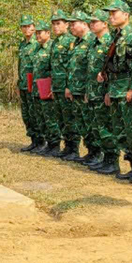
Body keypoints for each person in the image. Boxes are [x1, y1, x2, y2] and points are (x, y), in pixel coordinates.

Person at [103, 0, 132, 182]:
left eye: (115, 12)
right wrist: (108, 90)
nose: (111, 16)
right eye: (110, 13)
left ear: (126, 15)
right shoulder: (115, 36)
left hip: (127, 90)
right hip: (114, 89)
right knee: (120, 131)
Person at [84, 10, 113, 171]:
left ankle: (111, 160)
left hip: (104, 93)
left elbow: (112, 69)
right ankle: (102, 157)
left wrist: (108, 91)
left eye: (95, 22)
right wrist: (89, 91)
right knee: (96, 127)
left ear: (104, 24)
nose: (92, 24)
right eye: (91, 22)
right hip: (93, 91)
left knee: (106, 127)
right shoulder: (94, 43)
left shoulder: (110, 42)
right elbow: (90, 71)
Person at [47, 11, 78, 158]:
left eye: (58, 23)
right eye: (53, 24)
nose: (55, 26)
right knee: (60, 118)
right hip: (57, 86)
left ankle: (74, 148)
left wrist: (68, 86)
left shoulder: (71, 41)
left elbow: (71, 67)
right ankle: (67, 147)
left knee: (70, 119)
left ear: (66, 24)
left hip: (66, 87)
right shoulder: (55, 42)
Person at [63, 11, 92, 163]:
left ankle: (96, 153)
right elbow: (72, 67)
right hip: (75, 90)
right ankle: (90, 152)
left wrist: (88, 89)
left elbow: (91, 69)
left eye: (74, 24)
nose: (71, 27)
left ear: (84, 24)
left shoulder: (92, 41)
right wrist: (69, 86)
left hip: (86, 91)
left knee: (89, 123)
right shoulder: (76, 43)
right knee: (81, 123)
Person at [30, 22, 58, 155]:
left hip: (47, 87)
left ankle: (55, 145)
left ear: (48, 33)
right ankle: (46, 143)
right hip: (37, 87)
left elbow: (54, 69)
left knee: (50, 117)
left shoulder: (52, 47)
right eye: (36, 33)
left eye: (40, 32)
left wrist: (53, 87)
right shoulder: (38, 48)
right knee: (41, 117)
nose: (37, 35)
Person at [16, 16, 40, 152]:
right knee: (26, 114)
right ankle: (33, 141)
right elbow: (20, 65)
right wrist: (18, 83)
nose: (26, 29)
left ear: (34, 27)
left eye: (28, 26)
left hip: (34, 84)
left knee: (35, 113)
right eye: (23, 26)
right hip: (23, 84)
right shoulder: (22, 44)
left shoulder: (37, 43)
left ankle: (41, 141)